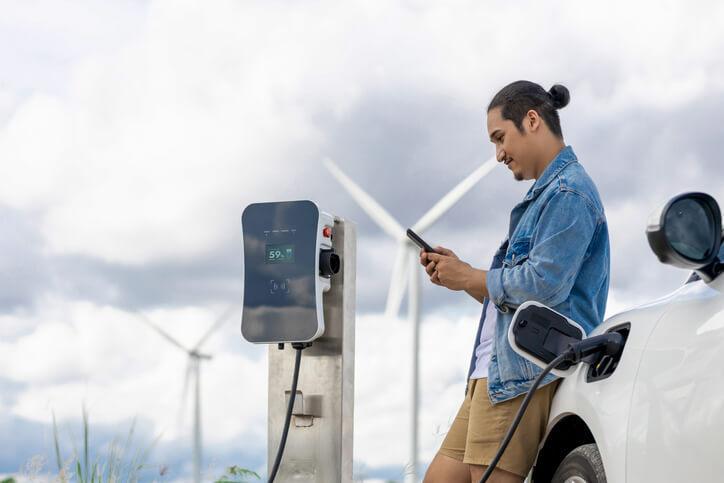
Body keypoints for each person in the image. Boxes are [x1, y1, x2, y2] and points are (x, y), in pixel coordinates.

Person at [421, 81, 610, 483]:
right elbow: (514, 298)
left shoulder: (569, 193)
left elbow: (544, 285)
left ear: (532, 120)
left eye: (500, 138)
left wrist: (472, 276)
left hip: (519, 375)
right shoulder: (543, 197)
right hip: (490, 373)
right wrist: (462, 276)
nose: (498, 154)